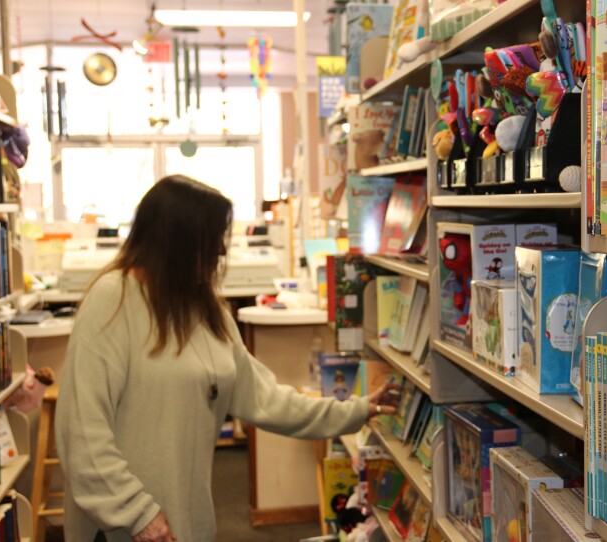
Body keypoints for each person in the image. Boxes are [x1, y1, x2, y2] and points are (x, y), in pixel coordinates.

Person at [55, 175, 398, 542]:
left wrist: (358, 410)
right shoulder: (113, 300)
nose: (220, 251)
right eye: (212, 238)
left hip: (185, 522)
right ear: (177, 241)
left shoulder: (205, 311)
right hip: (122, 528)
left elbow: (267, 398)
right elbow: (82, 433)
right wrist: (137, 513)